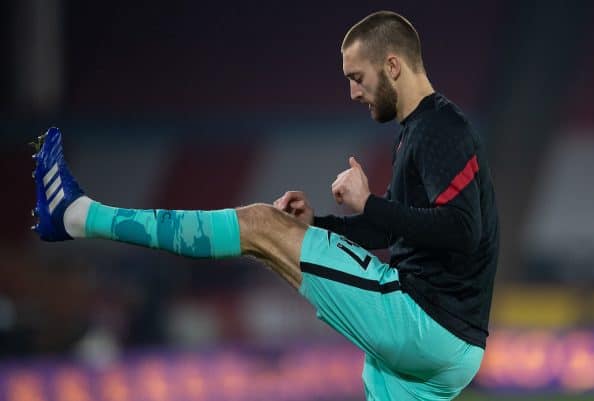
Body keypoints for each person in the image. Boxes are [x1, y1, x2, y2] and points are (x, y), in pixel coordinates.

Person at [31, 11, 499, 401]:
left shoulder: (440, 129)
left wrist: (369, 203)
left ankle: (79, 216)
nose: (353, 92)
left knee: (259, 226)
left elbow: (462, 230)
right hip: (444, 344)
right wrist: (321, 223)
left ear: (393, 65)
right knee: (273, 232)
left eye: (358, 78)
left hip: (426, 323)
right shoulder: (419, 132)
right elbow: (399, 233)